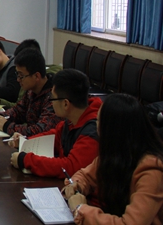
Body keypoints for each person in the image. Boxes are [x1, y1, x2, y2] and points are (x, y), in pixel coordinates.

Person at [62, 93, 163, 224]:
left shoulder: (151, 169)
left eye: (99, 121)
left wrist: (80, 209)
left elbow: (130, 223)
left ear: (112, 130)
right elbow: (85, 175)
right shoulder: (117, 153)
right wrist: (76, 186)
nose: (96, 127)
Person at [8, 69, 101, 178]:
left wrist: (25, 160)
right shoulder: (73, 119)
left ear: (66, 104)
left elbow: (70, 167)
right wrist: (25, 141)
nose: (51, 103)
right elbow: (55, 136)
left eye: (52, 98)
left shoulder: (94, 129)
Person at [0, 48, 62, 136]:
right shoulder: (31, 91)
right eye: (17, 75)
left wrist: (6, 126)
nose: (18, 79)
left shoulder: (54, 96)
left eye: (21, 76)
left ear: (36, 76)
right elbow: (18, 111)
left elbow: (40, 131)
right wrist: (1, 116)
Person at [0, 39, 63, 108]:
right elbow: (18, 109)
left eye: (21, 76)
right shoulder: (30, 92)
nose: (18, 80)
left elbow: (41, 123)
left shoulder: (52, 97)